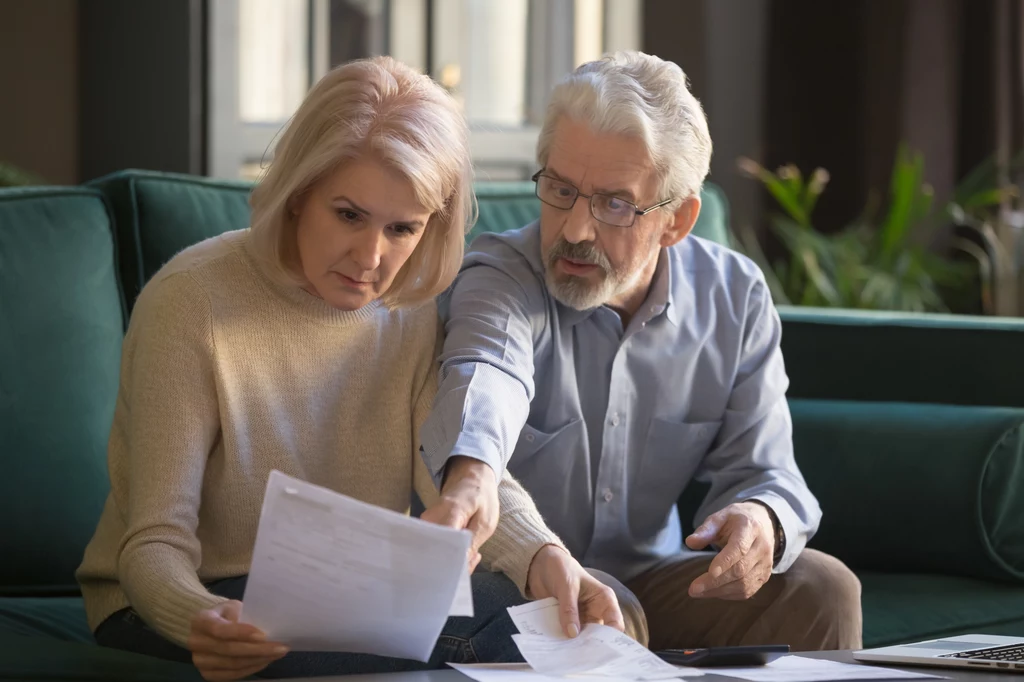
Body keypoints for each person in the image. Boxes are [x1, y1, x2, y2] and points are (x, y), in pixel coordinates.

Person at [76, 56, 639, 682]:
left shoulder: (409, 310)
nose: (371, 258)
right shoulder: (191, 300)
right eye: (348, 215)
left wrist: (544, 555)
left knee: (587, 607)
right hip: (184, 600)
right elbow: (153, 543)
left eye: (402, 228)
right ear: (296, 197)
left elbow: (455, 474)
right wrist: (201, 618)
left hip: (351, 594)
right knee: (520, 640)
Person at [420, 51, 863, 653]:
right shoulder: (501, 274)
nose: (575, 229)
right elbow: (486, 374)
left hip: (660, 582)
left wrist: (760, 520)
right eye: (561, 189)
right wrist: (471, 479)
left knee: (824, 588)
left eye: (615, 204)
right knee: (611, 610)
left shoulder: (734, 298)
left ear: (678, 220)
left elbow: (765, 469)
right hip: (520, 583)